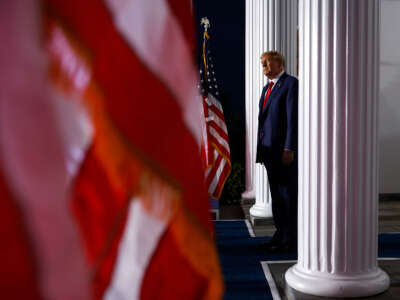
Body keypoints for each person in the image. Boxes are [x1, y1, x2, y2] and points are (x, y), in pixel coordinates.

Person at [256, 51, 298, 253]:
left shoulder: (290, 84)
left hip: (284, 153)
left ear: (280, 65)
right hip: (269, 153)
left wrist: (289, 148)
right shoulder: (267, 88)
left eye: (267, 63)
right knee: (277, 197)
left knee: (287, 197)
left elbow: (292, 119)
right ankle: (280, 234)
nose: (263, 66)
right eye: (262, 63)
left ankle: (290, 240)